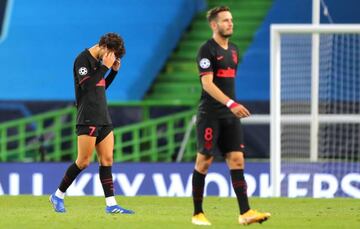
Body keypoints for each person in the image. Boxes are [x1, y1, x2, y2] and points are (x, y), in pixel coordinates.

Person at [191, 6, 270, 225]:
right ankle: (197, 213)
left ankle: (245, 213)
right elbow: (207, 84)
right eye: (225, 20)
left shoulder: (234, 50)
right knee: (204, 161)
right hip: (210, 114)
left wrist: (231, 106)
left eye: (231, 20)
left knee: (237, 159)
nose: (230, 23)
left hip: (230, 115)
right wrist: (230, 103)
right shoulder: (206, 50)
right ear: (214, 25)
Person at [49, 32, 134, 214]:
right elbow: (87, 87)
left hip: (103, 115)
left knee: (107, 159)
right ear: (104, 47)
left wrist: (113, 72)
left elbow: (101, 86)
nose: (111, 58)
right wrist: (105, 67)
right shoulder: (82, 60)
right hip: (87, 117)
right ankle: (58, 195)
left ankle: (111, 205)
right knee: (83, 161)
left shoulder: (102, 62)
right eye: (111, 53)